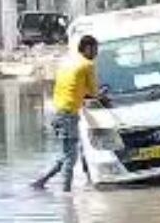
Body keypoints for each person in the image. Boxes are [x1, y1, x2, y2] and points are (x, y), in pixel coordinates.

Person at [32, 34, 108, 192]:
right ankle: (66, 193)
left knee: (67, 154)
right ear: (87, 48)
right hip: (68, 114)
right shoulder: (87, 65)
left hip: (58, 111)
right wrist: (104, 96)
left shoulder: (69, 62)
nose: (96, 53)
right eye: (95, 49)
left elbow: (75, 88)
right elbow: (94, 93)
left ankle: (42, 181)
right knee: (71, 157)